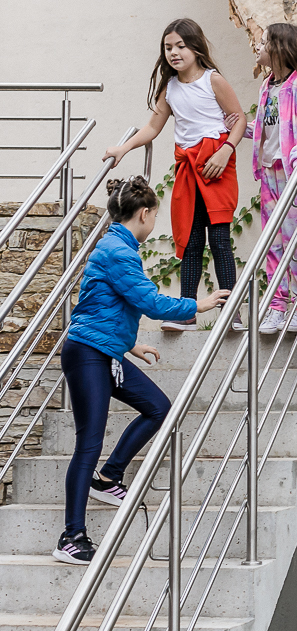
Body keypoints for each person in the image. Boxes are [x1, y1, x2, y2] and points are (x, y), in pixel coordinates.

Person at [53, 177, 229, 565]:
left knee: (158, 407)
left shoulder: (117, 246)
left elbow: (101, 302)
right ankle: (71, 536)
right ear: (145, 214)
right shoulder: (119, 251)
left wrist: (131, 344)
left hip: (104, 350)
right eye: (155, 216)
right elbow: (147, 301)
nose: (155, 223)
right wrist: (197, 306)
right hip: (88, 354)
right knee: (88, 442)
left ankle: (109, 477)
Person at [105, 18, 246, 327]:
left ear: (196, 48)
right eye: (168, 47)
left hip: (216, 166)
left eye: (181, 46)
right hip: (187, 169)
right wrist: (123, 148)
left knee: (220, 240)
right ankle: (187, 313)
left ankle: (230, 309)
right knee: (191, 240)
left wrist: (226, 150)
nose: (174, 52)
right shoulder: (169, 88)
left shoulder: (213, 80)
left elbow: (239, 119)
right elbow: (153, 127)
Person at [236, 23, 297, 334]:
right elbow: (267, 129)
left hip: (292, 176)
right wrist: (238, 126)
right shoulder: (268, 86)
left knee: (295, 242)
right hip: (269, 174)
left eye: (262, 42)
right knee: (272, 241)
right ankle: (276, 305)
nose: (257, 48)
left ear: (280, 48)